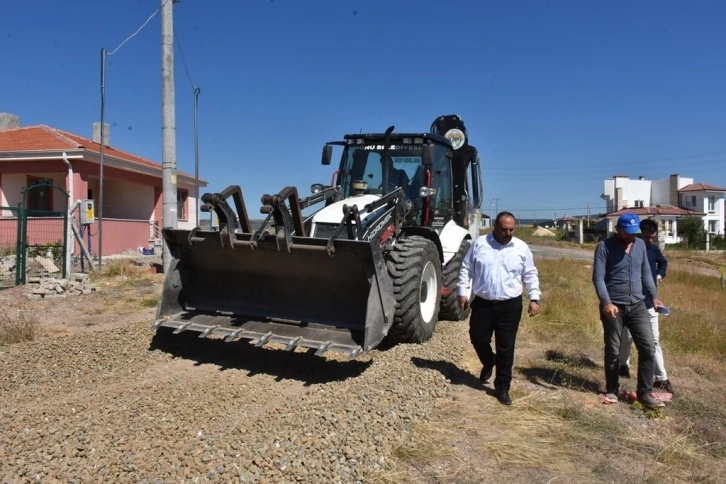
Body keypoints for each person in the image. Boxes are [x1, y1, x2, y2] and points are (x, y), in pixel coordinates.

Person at [457, 211, 541, 405]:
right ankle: (488, 361)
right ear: (495, 227)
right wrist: (462, 291)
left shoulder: (521, 247)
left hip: (510, 305)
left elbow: (530, 273)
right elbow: (466, 268)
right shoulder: (480, 244)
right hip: (483, 303)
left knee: (506, 347)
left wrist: (534, 298)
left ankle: (502, 387)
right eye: (504, 229)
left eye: (512, 229)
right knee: (478, 338)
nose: (508, 233)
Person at [592, 212, 667, 409]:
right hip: (614, 306)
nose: (632, 237)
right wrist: (606, 302)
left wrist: (654, 296)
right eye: (628, 232)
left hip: (638, 305)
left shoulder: (641, 245)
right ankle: (612, 389)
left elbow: (645, 274)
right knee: (614, 349)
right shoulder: (604, 247)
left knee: (648, 347)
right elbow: (598, 278)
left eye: (635, 233)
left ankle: (645, 393)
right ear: (617, 229)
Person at [618, 219, 674, 394]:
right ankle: (622, 365)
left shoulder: (653, 249)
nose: (649, 240)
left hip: (650, 303)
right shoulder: (629, 249)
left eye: (652, 237)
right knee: (626, 337)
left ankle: (661, 378)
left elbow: (663, 263)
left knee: (653, 341)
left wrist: (659, 275)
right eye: (646, 236)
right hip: (631, 303)